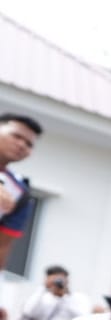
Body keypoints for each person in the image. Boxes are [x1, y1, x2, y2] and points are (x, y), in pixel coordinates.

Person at [0, 113, 42, 278]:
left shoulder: (20, 193)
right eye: (16, 136)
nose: (22, 145)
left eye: (29, 144)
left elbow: (3, 246)